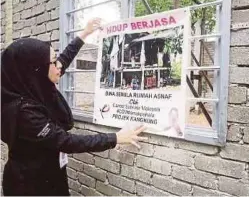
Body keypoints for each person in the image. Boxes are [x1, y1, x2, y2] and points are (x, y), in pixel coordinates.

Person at [1, 18, 147, 196]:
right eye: (53, 63)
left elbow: (63, 60)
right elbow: (66, 142)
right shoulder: (25, 113)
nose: (59, 68)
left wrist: (84, 34)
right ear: (35, 70)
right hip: (29, 184)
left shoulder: (32, 84)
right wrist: (116, 138)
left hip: (49, 172)